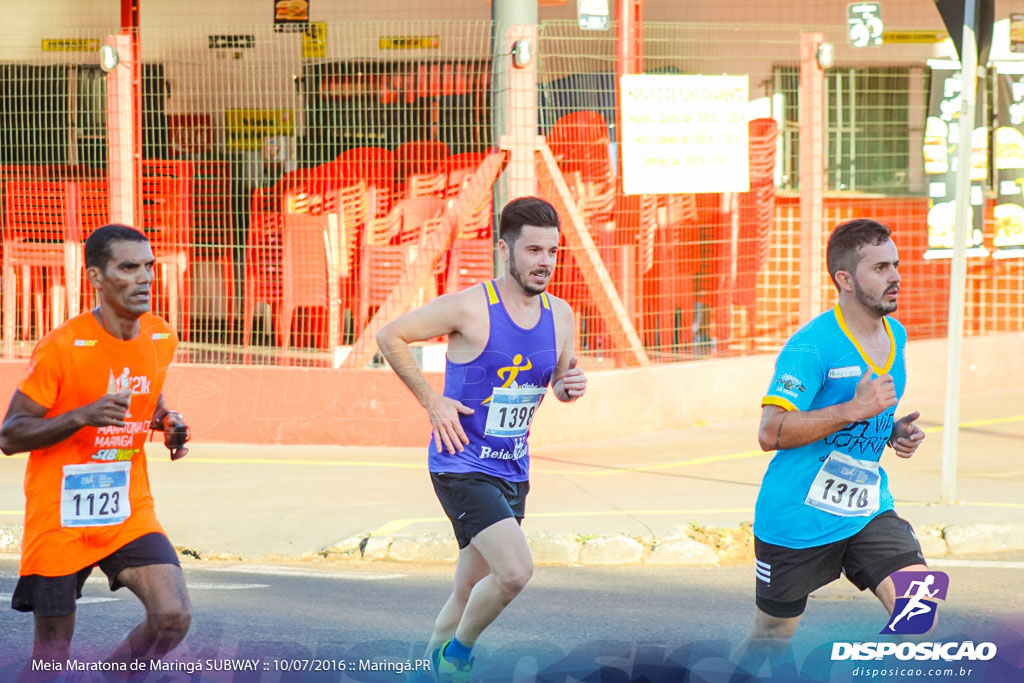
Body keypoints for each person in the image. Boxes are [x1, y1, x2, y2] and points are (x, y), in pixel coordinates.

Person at [377, 197, 587, 681]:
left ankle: (426, 672)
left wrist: (568, 388)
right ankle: (457, 655)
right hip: (461, 465)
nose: (545, 262)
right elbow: (390, 335)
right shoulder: (470, 308)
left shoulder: (561, 315)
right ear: (504, 250)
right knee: (514, 572)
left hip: (513, 469)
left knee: (469, 587)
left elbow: (558, 380)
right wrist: (432, 400)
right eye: (533, 250)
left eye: (553, 251)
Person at [735, 219, 928, 675]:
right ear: (844, 279)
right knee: (771, 637)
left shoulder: (895, 336)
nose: (896, 276)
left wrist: (892, 430)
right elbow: (770, 432)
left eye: (896, 265)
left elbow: (868, 415)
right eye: (881, 267)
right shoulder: (811, 347)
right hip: (796, 518)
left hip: (866, 507)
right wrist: (852, 410)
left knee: (919, 612)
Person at [0, 224, 192, 667]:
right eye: (128, 267)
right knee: (51, 660)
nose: (144, 278)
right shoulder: (62, 348)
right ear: (96, 278)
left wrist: (166, 420)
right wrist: (80, 416)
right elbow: (10, 434)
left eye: (149, 266)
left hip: (126, 507)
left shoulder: (161, 337)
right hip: (61, 516)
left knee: (171, 617)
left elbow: (147, 395)